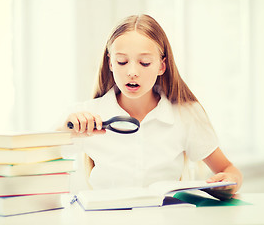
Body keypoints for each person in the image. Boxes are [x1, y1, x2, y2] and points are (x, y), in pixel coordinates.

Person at [59, 14, 242, 197]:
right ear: (110, 63)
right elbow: (37, 160)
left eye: (144, 63)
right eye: (122, 61)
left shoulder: (185, 115)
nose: (132, 72)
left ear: (162, 66)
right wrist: (66, 129)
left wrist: (229, 181)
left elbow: (229, 169)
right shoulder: (86, 115)